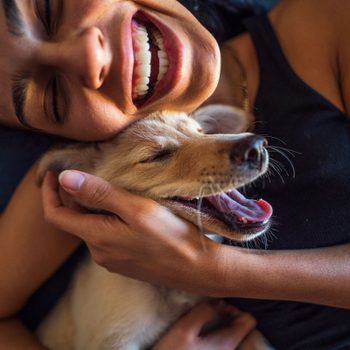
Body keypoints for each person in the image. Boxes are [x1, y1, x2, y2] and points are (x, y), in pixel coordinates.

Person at [0, 0, 349, 349]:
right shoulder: (86, 173)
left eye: (48, 10)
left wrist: (218, 270)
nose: (91, 58)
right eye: (55, 99)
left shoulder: (327, 24)